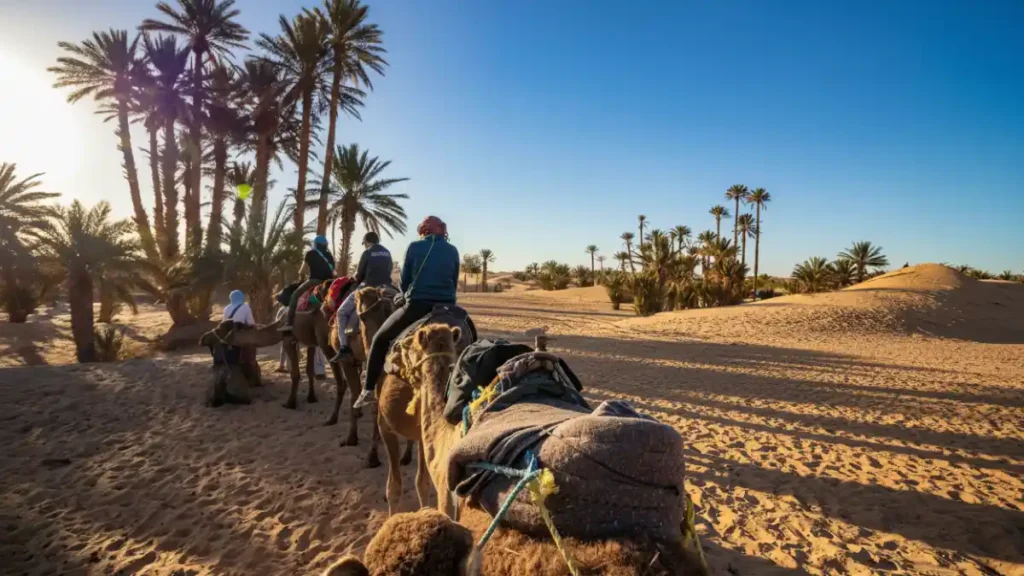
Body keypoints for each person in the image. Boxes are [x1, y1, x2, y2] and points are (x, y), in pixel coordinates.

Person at [353, 216, 459, 408]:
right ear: (441, 229)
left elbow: (404, 281)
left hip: (418, 306)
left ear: (423, 231)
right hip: (449, 308)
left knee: (379, 339)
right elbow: (454, 278)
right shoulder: (453, 250)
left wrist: (405, 295)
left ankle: (368, 389)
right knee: (471, 334)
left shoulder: (414, 247)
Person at [330, 231, 394, 363]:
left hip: (368, 287)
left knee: (341, 312)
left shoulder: (367, 252)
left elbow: (359, 275)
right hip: (386, 287)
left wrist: (354, 278)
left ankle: (343, 348)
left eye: (364, 243)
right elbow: (389, 270)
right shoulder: (387, 252)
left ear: (366, 242)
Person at [280, 235, 335, 332]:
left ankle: (289, 323)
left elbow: (302, 271)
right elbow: (334, 271)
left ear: (315, 244)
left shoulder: (310, 253)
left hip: (314, 281)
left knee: (295, 296)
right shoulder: (329, 255)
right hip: (330, 283)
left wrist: (301, 278)